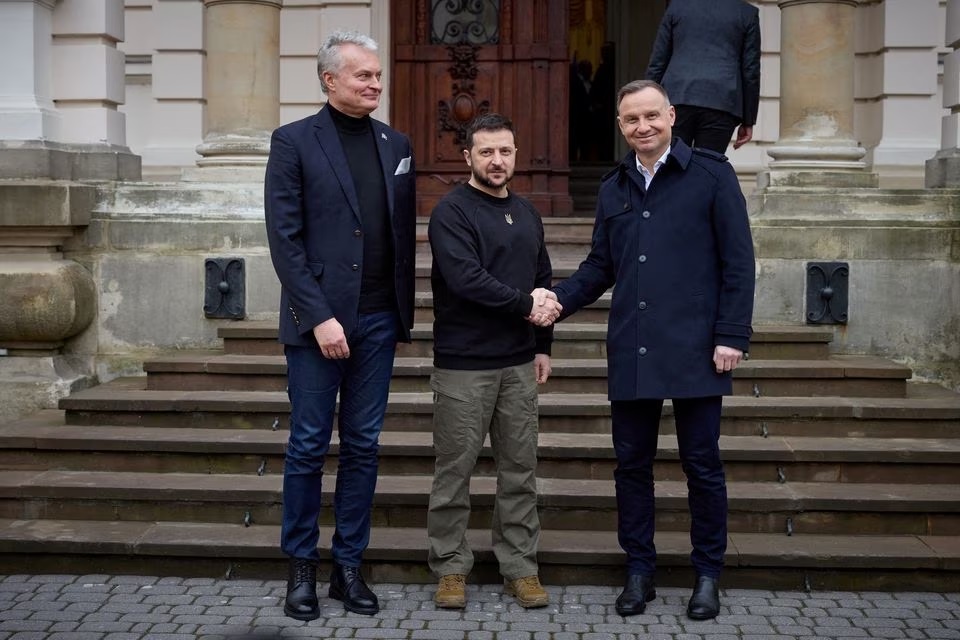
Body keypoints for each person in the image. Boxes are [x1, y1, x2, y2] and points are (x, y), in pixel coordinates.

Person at [550, 80, 755, 620]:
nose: (642, 127)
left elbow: (739, 262)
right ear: (621, 126)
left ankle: (707, 575)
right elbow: (601, 265)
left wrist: (732, 335)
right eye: (631, 120)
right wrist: (557, 302)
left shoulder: (712, 174)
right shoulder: (615, 186)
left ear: (670, 115)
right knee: (631, 466)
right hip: (634, 348)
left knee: (702, 466)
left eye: (651, 116)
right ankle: (639, 571)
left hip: (697, 348)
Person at [263, 30, 417, 621]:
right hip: (318, 325)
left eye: (377, 75)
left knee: (363, 446)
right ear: (330, 80)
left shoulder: (395, 142)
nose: (376, 83)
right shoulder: (293, 142)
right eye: (364, 76)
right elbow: (286, 240)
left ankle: (348, 568)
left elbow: (398, 236)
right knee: (307, 446)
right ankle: (301, 569)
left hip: (379, 321)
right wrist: (320, 316)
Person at [426, 113, 560, 610]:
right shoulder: (452, 212)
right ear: (468, 157)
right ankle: (450, 568)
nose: (497, 161)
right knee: (454, 472)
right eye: (486, 152)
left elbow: (542, 277)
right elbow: (466, 278)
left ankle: (519, 568)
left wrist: (543, 344)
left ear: (515, 154)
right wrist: (527, 306)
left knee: (520, 471)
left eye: (505, 151)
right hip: (465, 365)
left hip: (519, 363)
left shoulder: (527, 212)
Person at [645, 0, 761, 153]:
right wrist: (748, 120)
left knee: (673, 166)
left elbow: (658, 62)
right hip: (721, 101)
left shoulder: (677, 6)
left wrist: (646, 106)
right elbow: (750, 70)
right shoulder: (747, 12)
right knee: (707, 168)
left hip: (677, 98)